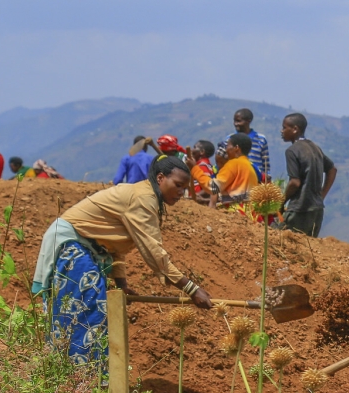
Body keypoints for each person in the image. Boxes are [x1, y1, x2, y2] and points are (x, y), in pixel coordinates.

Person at [32, 155, 213, 363]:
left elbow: (113, 244)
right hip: (72, 246)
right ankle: (81, 381)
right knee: (85, 315)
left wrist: (121, 284)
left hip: (82, 247)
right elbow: (155, 254)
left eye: (185, 187)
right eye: (178, 185)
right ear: (161, 178)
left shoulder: (144, 196)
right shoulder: (142, 199)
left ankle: (76, 378)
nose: (182, 192)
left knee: (80, 314)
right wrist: (191, 289)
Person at [279, 113, 336, 237]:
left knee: (276, 236)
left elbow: (295, 182)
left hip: (300, 209)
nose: (281, 131)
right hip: (317, 211)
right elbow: (332, 170)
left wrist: (281, 202)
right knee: (308, 248)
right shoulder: (315, 147)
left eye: (284, 127)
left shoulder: (292, 150)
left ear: (295, 129)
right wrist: (321, 196)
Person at [210, 133, 259, 206]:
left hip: (234, 211)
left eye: (228, 145)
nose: (226, 149)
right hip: (249, 212)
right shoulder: (249, 166)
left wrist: (212, 206)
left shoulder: (233, 164)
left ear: (236, 148)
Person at [230, 108, 269, 182]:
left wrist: (266, 177)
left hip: (257, 179)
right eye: (234, 121)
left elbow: (266, 162)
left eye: (238, 121)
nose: (235, 124)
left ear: (249, 121)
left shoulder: (261, 139)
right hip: (236, 180)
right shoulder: (230, 139)